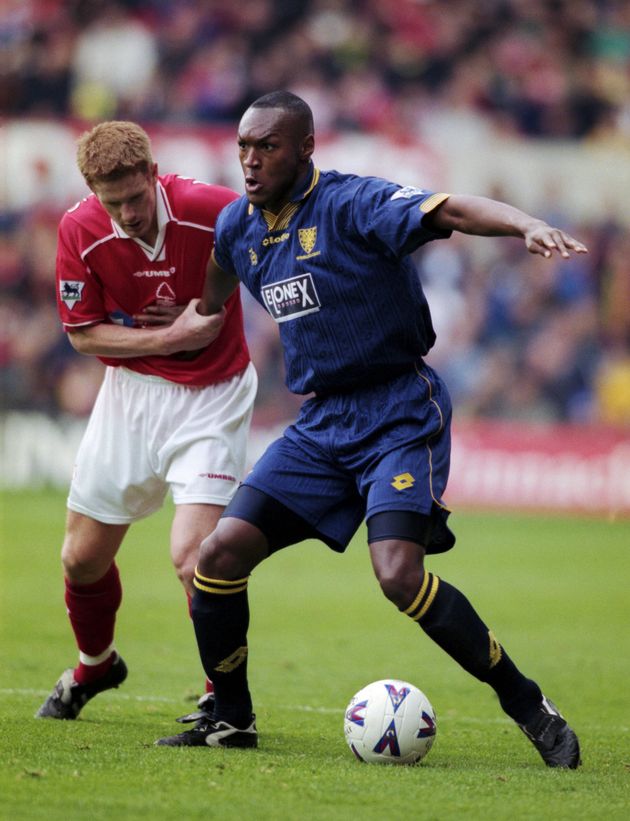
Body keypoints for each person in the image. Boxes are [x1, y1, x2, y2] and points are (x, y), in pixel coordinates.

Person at [155, 92, 584, 768]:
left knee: (396, 574)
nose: (249, 159)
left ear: (304, 149)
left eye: (266, 146)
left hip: (397, 411)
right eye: (243, 146)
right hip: (321, 423)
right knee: (217, 556)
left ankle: (528, 703)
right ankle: (231, 718)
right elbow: (213, 286)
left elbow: (450, 208)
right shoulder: (238, 226)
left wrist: (523, 223)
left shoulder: (354, 204)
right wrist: (189, 324)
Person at [36, 121, 257, 720]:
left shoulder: (211, 209)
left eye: (136, 197)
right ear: (92, 193)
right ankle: (96, 664)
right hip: (130, 396)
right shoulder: (79, 229)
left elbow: (272, 252)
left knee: (195, 557)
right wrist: (171, 333)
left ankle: (222, 697)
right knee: (81, 560)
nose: (129, 214)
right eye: (114, 203)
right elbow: (82, 335)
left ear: (154, 174)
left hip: (213, 395)